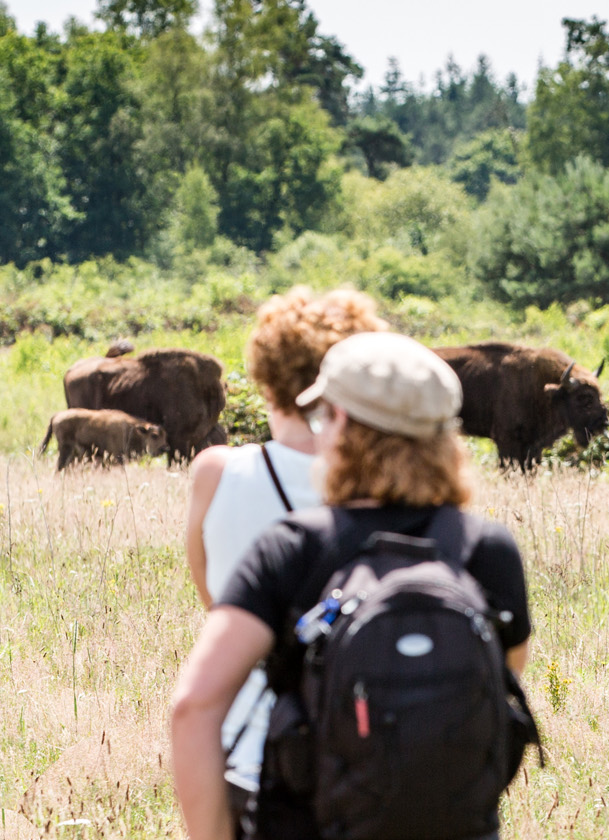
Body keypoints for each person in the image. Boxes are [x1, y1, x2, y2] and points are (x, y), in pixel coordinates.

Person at [170, 332, 534, 840]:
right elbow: (496, 700)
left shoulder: (291, 548)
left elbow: (194, 706)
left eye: (324, 416)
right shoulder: (488, 550)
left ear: (340, 423)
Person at [182, 288, 386, 827]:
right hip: (380, 760)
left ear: (264, 380)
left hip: (253, 751)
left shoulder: (216, 473)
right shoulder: (396, 489)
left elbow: (215, 601)